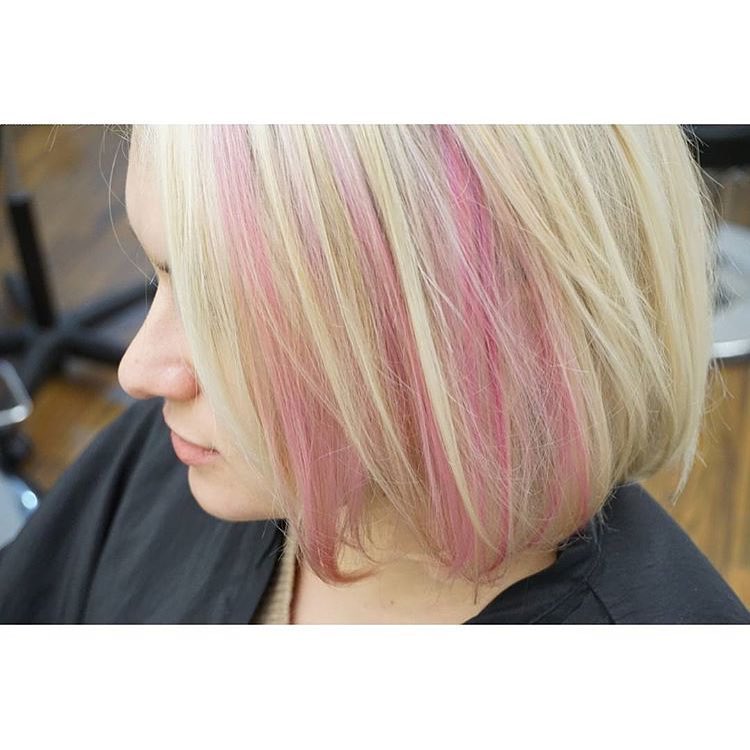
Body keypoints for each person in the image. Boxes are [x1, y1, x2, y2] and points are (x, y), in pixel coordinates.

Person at [0, 124, 747, 624]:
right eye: (160, 277)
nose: (137, 371)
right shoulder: (165, 461)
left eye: (224, 305)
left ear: (483, 321)